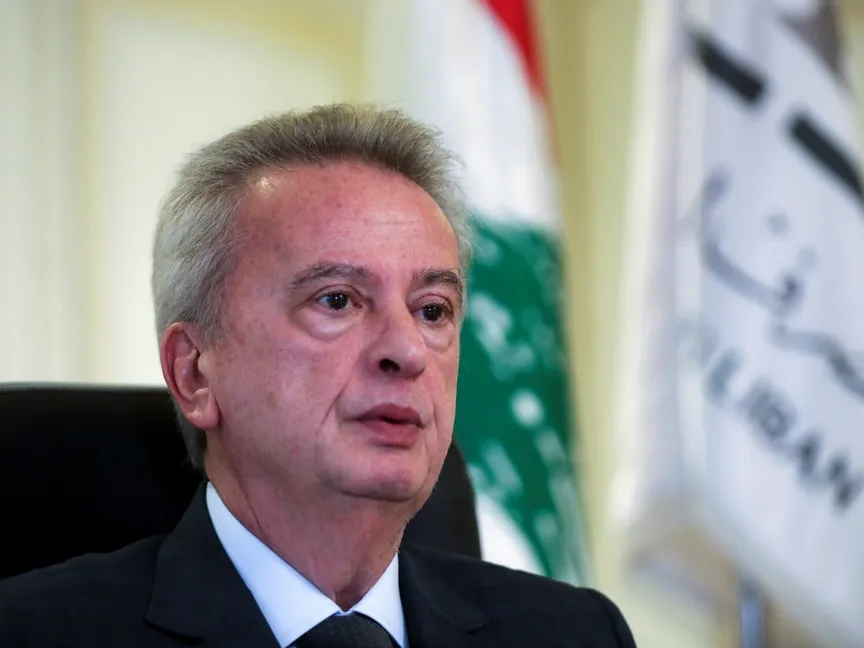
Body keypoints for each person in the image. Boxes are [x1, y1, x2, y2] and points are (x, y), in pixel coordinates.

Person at [0, 104, 635, 647]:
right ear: (194, 374)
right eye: (337, 300)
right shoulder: (31, 632)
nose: (408, 350)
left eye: (433, 310)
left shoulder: (576, 632)